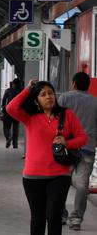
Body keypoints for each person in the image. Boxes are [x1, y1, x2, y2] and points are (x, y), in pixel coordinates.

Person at [7, 80, 88, 235]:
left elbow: (83, 138)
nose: (48, 97)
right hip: (32, 176)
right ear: (36, 100)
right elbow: (11, 108)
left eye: (50, 93)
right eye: (42, 94)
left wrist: (67, 142)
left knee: (54, 217)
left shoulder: (67, 115)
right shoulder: (30, 118)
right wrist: (28, 89)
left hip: (59, 175)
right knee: (37, 218)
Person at [58, 72, 97, 231]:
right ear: (88, 85)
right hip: (87, 147)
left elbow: (55, 120)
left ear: (73, 83)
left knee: (60, 182)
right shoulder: (95, 102)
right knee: (82, 185)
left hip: (66, 147)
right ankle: (76, 220)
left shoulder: (64, 98)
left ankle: (61, 215)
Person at [1, 78, 23, 149]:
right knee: (15, 128)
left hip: (8, 111)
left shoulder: (8, 91)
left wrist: (3, 108)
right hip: (17, 112)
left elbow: (4, 101)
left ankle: (8, 137)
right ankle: (15, 144)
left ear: (13, 83)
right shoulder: (22, 91)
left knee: (6, 127)